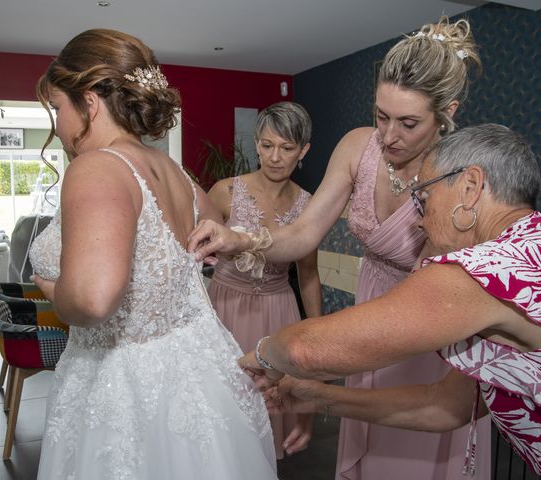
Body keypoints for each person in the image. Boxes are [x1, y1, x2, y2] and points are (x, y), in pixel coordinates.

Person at [189, 17, 488, 479]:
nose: (389, 136)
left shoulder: (462, 175)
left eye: (408, 122)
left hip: (429, 320)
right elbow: (305, 234)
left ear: (446, 112)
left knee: (416, 447)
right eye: (380, 116)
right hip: (373, 299)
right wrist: (239, 238)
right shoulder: (357, 147)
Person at [29, 28, 277, 479]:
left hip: (123, 382)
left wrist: (50, 286)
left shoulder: (97, 168)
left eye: (57, 107)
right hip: (194, 368)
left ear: (90, 100)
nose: (58, 124)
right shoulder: (173, 171)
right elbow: (213, 238)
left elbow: (92, 300)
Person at [237, 123, 541, 476]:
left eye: (424, 199)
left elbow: (304, 351)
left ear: (470, 187)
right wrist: (321, 397)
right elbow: (446, 406)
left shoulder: (487, 270)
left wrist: (265, 356)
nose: (419, 221)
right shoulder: (526, 248)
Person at [207, 101, 323, 459]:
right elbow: (194, 253)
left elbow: (307, 274)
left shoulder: (308, 206)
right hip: (225, 308)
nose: (275, 157)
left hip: (278, 312)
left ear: (302, 151)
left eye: (287, 148)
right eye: (267, 145)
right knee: (221, 406)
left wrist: (316, 337)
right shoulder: (225, 192)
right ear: (256, 143)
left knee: (268, 405)